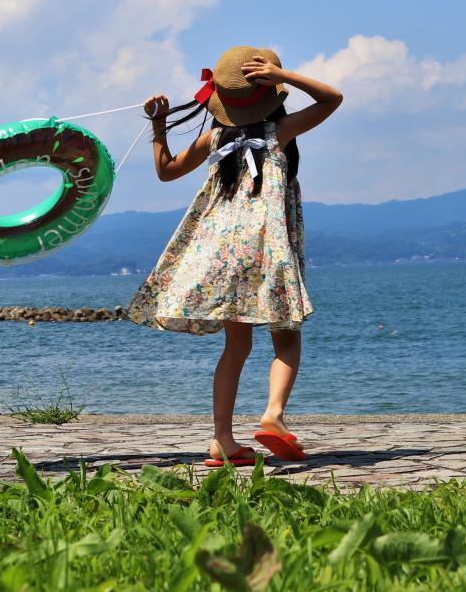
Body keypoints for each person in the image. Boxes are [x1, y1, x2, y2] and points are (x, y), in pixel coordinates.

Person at [126, 46, 342, 467]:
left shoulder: (215, 138)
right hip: (265, 244)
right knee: (286, 335)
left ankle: (222, 440)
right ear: (269, 91)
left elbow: (166, 169)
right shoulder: (281, 130)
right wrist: (284, 74)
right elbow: (332, 98)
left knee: (236, 345)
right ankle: (272, 417)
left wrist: (159, 125)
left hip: (221, 252)